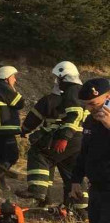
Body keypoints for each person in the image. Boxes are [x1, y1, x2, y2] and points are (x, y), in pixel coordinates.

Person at [18, 62, 87, 212]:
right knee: (73, 173)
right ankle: (79, 208)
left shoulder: (69, 92)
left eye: (58, 78)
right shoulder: (81, 92)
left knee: (40, 155)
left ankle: (38, 191)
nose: (57, 81)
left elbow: (74, 115)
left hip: (66, 137)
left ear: (64, 77)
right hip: (80, 140)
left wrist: (64, 137)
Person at [71, 78, 110, 223]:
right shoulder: (91, 120)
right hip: (97, 191)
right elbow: (84, 153)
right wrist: (76, 179)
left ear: (108, 96)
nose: (88, 109)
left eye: (93, 104)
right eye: (85, 104)